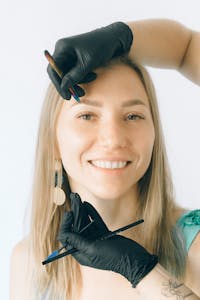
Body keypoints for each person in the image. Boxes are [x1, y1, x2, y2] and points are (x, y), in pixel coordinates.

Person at [9, 19, 200, 300]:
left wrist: (142, 271)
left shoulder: (194, 246)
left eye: (132, 116)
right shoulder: (28, 263)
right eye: (87, 115)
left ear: (154, 135)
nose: (112, 138)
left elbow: (187, 48)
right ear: (54, 143)